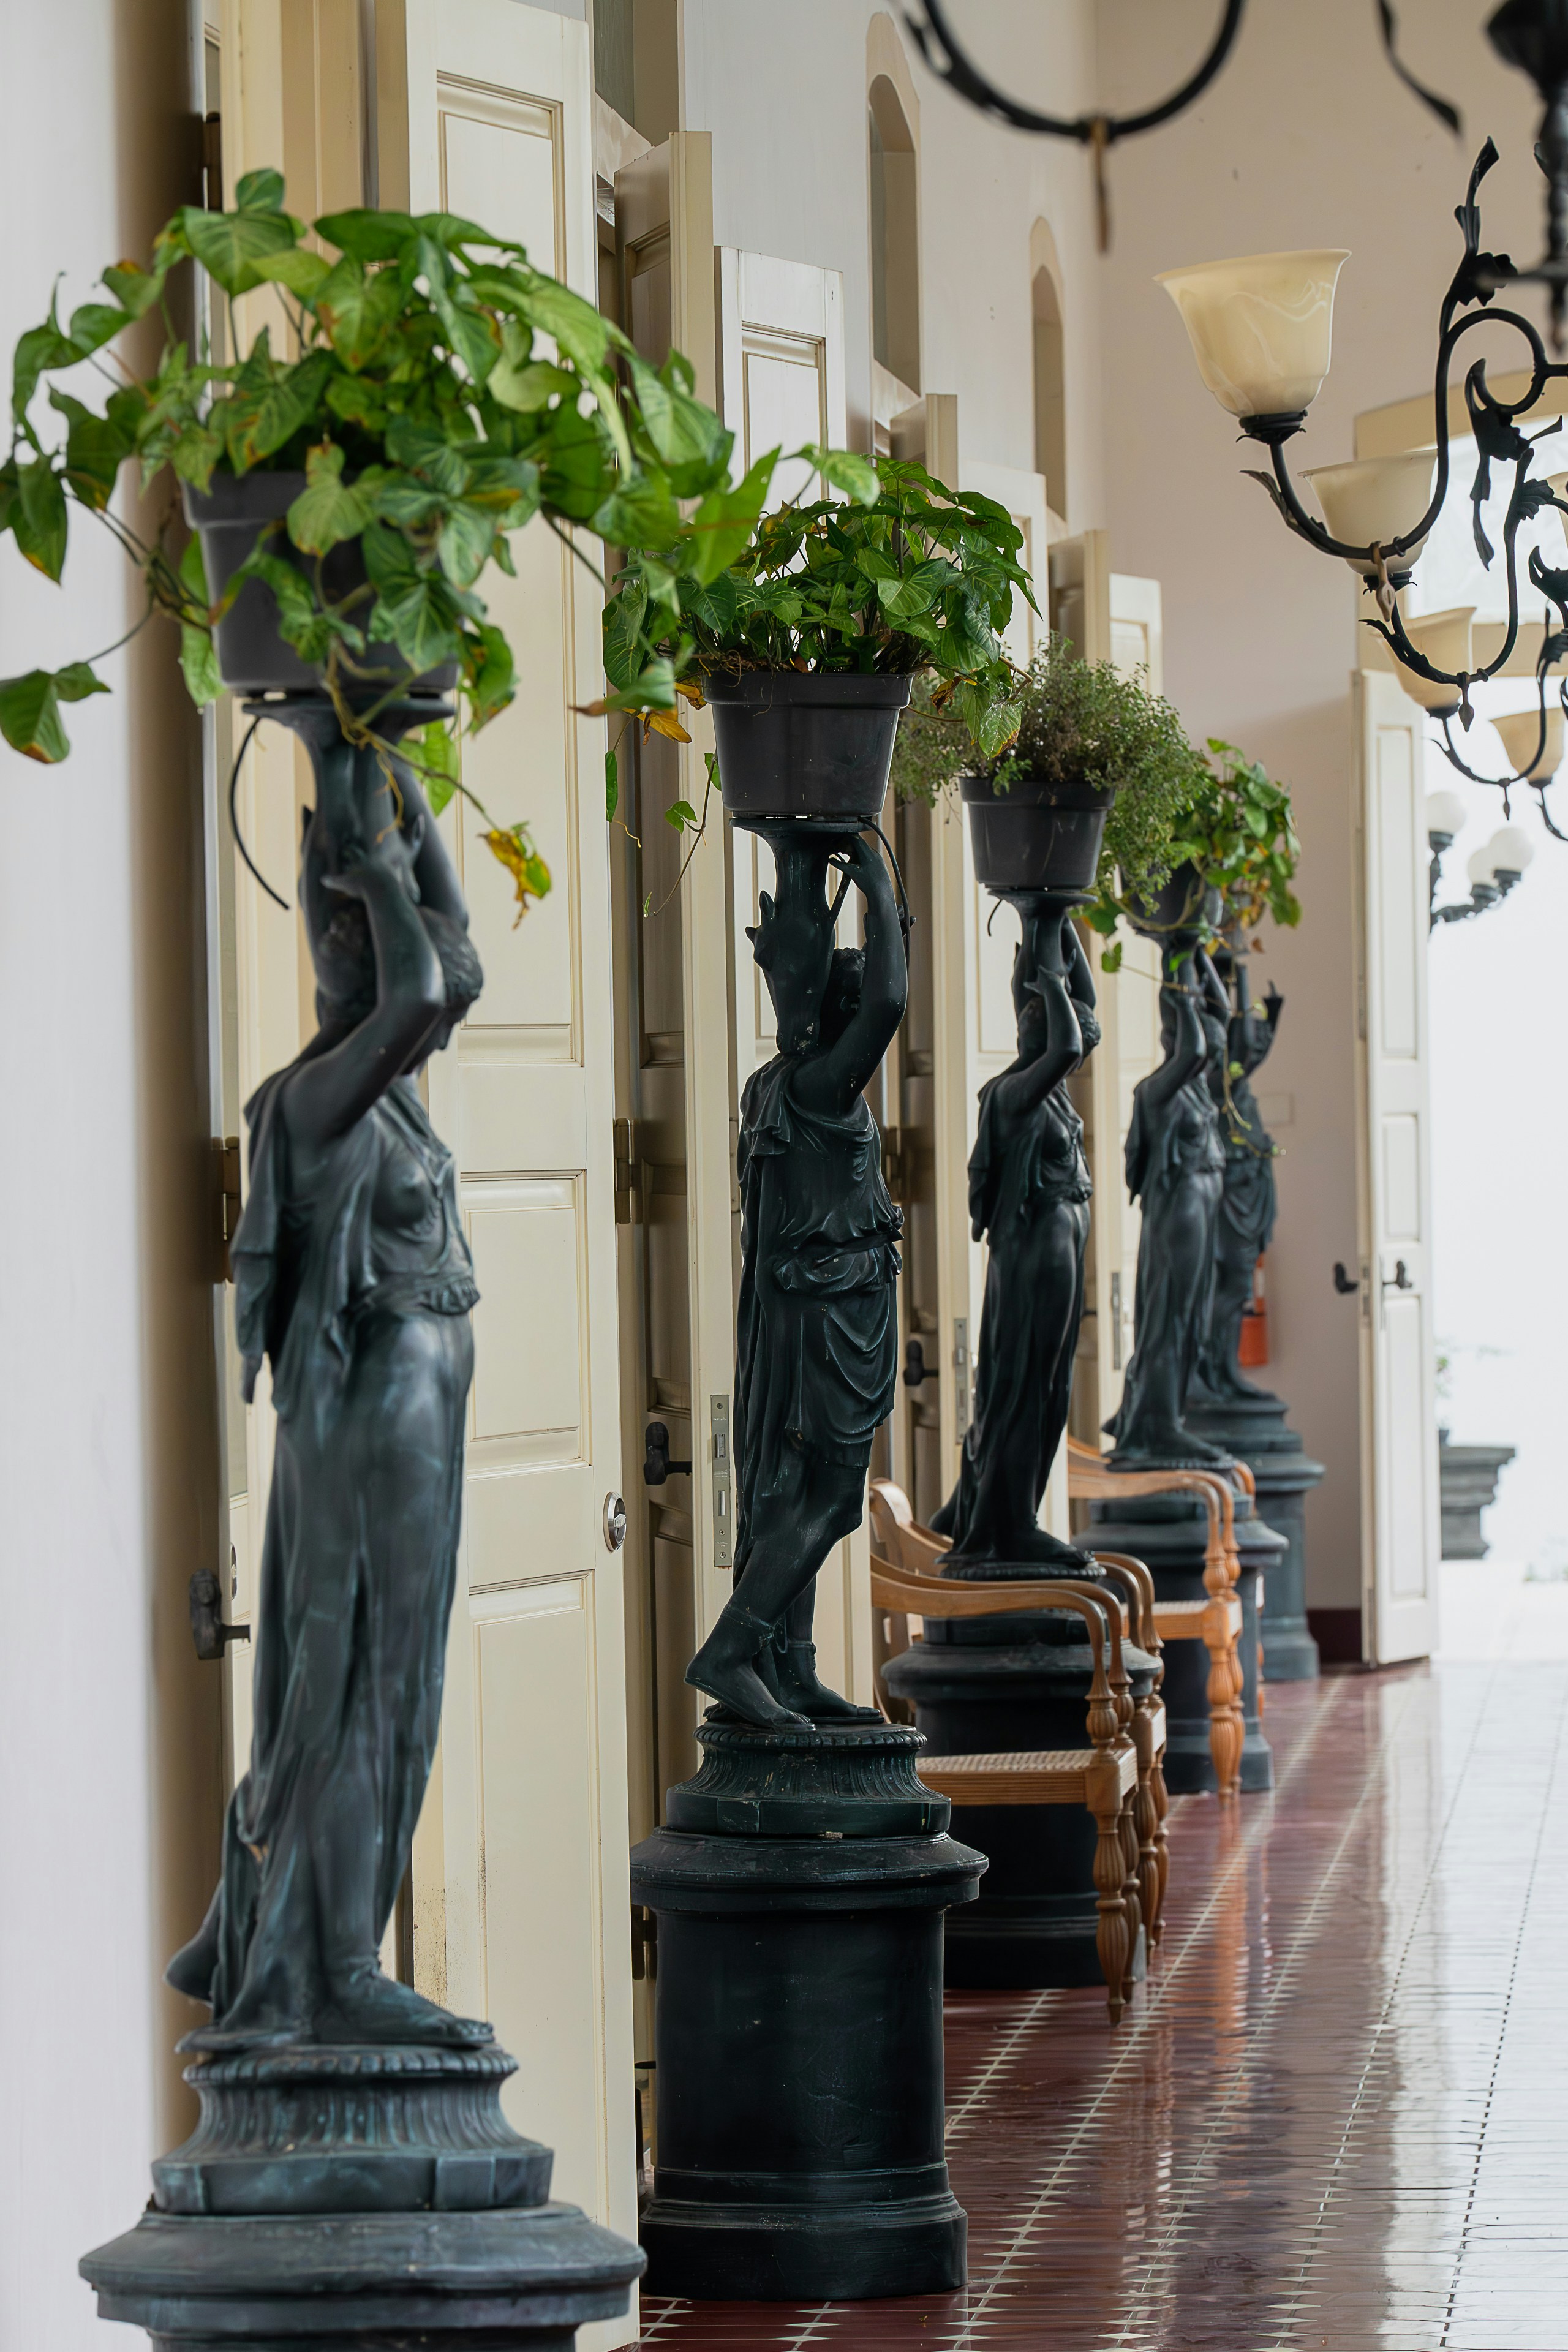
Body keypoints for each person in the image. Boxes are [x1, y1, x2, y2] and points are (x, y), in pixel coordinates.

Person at [167, 732, 488, 2049]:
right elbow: (421, 986)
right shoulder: (313, 1101)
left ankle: (303, 1928)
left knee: (399, 1685)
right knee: (356, 1674)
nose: (380, 938)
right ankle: (333, 1960)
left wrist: (398, 790)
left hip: (417, 1412)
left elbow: (454, 968)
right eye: (354, 921)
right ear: (334, 947)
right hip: (368, 1421)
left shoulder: (391, 1091)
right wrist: (361, 860)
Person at [686, 829, 906, 1730]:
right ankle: (733, 1653)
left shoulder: (772, 1083)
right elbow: (889, 998)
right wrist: (874, 874)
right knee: (828, 1497)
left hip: (817, 1307)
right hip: (827, 1316)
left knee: (788, 1488)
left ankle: (791, 1666)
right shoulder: (820, 1088)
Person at [930, 898, 1097, 1572]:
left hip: (1059, 1247)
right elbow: (1068, 1038)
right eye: (1040, 1006)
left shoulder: (1047, 1091)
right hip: (1035, 1255)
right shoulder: (1012, 1092)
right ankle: (1009, 1520)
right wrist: (1050, 976)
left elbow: (1078, 1022)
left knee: (1050, 1386)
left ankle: (1006, 1510)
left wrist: (1051, 920)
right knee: (1027, 1384)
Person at [1107, 942, 1231, 1469]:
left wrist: (1195, 945)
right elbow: (1200, 1047)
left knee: (1191, 1317)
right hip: (1179, 1211)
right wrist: (1175, 960)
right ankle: (1158, 1423)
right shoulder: (1158, 1089)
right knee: (1171, 1316)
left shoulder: (1198, 1086)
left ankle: (1170, 1416)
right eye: (1187, 1011)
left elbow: (1220, 1021)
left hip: (1203, 1205)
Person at [1193, 939, 1284, 1404]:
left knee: (1237, 1284)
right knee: (1223, 1282)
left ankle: (1224, 1370)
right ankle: (1212, 1370)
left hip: (1248, 1187)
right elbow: (1245, 1042)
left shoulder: (1236, 1086)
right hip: (1230, 1192)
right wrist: (1236, 969)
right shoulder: (1216, 1078)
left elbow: (1248, 1042)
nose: (1260, 1043)